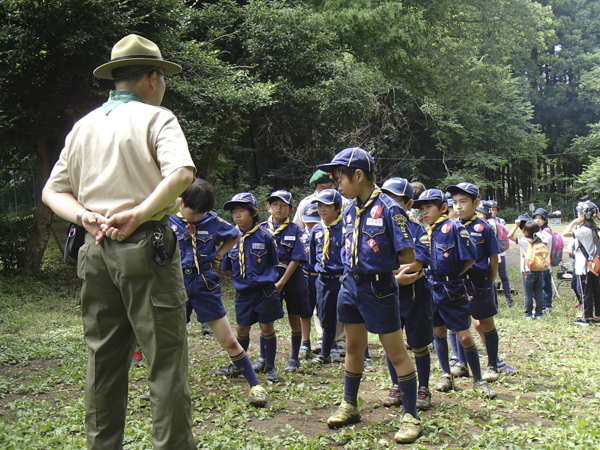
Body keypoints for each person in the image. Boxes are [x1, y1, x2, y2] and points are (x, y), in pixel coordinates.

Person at [42, 34, 196, 449]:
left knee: (103, 361)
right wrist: (139, 213)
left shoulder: (84, 126)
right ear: (152, 77)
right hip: (146, 249)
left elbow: (52, 192)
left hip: (94, 252)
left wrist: (84, 216)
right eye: (162, 76)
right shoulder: (157, 118)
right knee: (164, 363)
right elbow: (182, 174)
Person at [317, 147, 423, 444]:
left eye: (340, 178)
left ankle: (411, 416)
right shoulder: (349, 209)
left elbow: (408, 254)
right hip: (350, 286)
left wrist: (393, 274)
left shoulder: (391, 209)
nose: (337, 184)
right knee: (353, 347)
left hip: (379, 288)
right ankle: (349, 404)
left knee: (396, 352)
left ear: (358, 175)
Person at [171, 179, 268, 406]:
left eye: (201, 214)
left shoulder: (212, 220)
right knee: (172, 341)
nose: (196, 218)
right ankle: (164, 391)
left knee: (228, 340)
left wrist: (219, 255)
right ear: (181, 201)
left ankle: (255, 385)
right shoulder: (168, 219)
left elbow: (234, 234)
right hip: (176, 284)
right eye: (193, 213)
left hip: (205, 283)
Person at [412, 189, 497, 400]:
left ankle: (478, 380)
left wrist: (454, 275)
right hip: (431, 288)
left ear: (442, 208)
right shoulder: (424, 231)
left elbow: (471, 257)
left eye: (429, 207)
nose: (424, 212)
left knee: (465, 335)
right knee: (438, 332)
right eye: (421, 209)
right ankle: (445, 374)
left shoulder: (454, 227)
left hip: (452, 289)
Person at [380, 177, 434, 411]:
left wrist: (388, 270)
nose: (389, 203)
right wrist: (393, 274)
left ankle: (423, 388)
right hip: (389, 292)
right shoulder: (378, 229)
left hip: (415, 293)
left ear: (409, 204)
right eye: (386, 197)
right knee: (392, 343)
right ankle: (396, 385)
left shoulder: (417, 229)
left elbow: (416, 263)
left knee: (418, 343)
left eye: (395, 199)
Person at [221, 193, 284, 381]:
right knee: (241, 330)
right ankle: (238, 365)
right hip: (243, 293)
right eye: (234, 212)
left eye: (241, 211)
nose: (237, 215)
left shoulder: (266, 236)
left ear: (254, 212)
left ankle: (270, 366)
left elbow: (274, 262)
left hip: (264, 291)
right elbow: (227, 267)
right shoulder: (231, 238)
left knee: (266, 328)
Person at [447, 184, 501, 383]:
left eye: (463, 202)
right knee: (461, 323)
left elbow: (493, 259)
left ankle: (493, 365)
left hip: (479, 284)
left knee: (486, 323)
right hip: (457, 283)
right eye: (455, 203)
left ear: (476, 203)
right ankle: (461, 363)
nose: (458, 207)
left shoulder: (484, 228)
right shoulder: (451, 226)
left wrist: (490, 282)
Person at [294, 170, 349, 357]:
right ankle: (324, 341)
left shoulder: (346, 202)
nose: (321, 209)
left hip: (341, 275)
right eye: (320, 188)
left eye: (328, 187)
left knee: (344, 310)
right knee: (322, 310)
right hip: (320, 274)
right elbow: (300, 231)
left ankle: (340, 342)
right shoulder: (306, 204)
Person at [308, 189, 345, 364]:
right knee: (325, 317)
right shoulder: (316, 230)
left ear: (338, 208)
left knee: (351, 318)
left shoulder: (345, 228)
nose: (322, 210)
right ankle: (326, 353)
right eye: (319, 206)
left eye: (327, 206)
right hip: (323, 280)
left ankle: (364, 355)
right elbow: (313, 256)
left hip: (342, 279)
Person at [563, 201, 600, 326]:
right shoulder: (595, 228)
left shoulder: (584, 230)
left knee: (586, 292)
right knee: (596, 290)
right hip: (595, 265)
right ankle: (597, 316)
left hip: (584, 265)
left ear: (584, 215)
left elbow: (565, 233)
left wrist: (573, 223)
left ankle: (585, 317)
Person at [507, 215, 551, 319]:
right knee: (538, 293)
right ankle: (539, 314)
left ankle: (528, 314)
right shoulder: (540, 240)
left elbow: (509, 235)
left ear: (525, 232)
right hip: (539, 269)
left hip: (527, 270)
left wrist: (516, 225)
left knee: (528, 294)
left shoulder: (523, 241)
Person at [299, 204, 322, 360]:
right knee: (305, 311)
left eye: (314, 222)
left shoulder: (325, 233)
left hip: (322, 277)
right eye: (308, 222)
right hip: (306, 277)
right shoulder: (300, 235)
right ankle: (305, 343)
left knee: (324, 311)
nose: (311, 226)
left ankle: (329, 343)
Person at [489, 201, 513, 307]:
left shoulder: (501, 221)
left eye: (495, 210)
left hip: (500, 252)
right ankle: (494, 301)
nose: (493, 212)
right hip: (492, 253)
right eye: (491, 210)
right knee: (491, 277)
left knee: (503, 275)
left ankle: (509, 298)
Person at [533, 208, 554, 314]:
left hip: (543, 263)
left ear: (545, 220)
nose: (537, 220)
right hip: (544, 262)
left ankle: (546, 306)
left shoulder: (545, 233)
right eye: (535, 218)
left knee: (544, 284)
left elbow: (543, 247)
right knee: (545, 284)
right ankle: (545, 305)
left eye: (539, 218)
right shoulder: (543, 231)